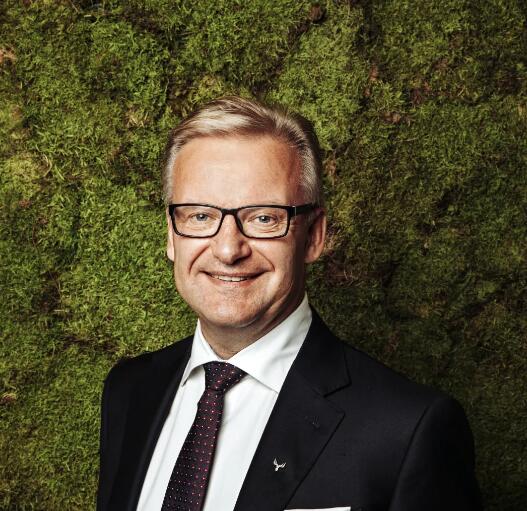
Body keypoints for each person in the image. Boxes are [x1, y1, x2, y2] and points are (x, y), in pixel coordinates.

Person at [97, 96, 482, 511]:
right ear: (172, 236)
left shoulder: (408, 429)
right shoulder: (130, 390)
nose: (227, 250)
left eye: (264, 218)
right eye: (200, 216)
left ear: (314, 236)